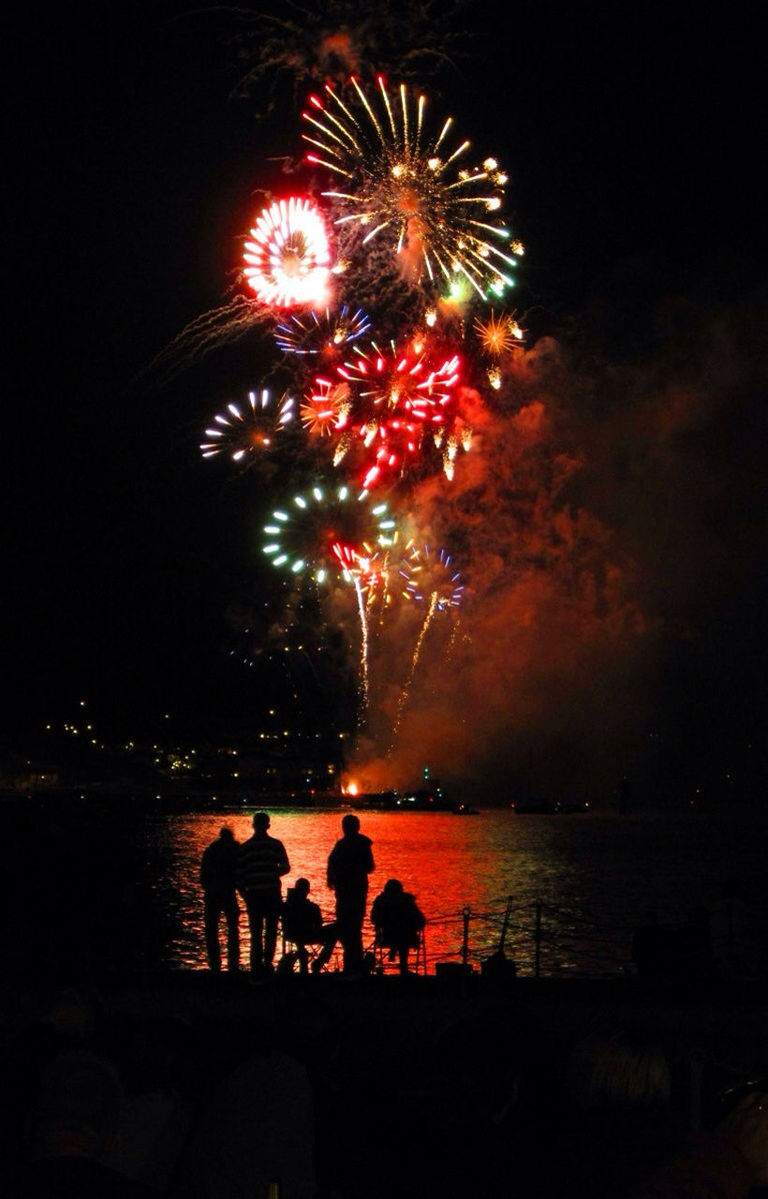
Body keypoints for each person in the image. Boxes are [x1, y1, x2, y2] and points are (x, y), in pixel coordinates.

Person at [313, 814, 374, 974]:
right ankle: (353, 965)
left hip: (345, 892)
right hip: (357, 892)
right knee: (353, 929)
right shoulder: (363, 844)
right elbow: (370, 866)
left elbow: (331, 867)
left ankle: (348, 964)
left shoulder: (340, 846)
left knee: (345, 927)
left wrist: (336, 878)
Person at [236, 812, 290, 973]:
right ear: (268, 826)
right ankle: (267, 963)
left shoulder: (245, 848)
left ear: (253, 825)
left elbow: (239, 874)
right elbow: (286, 867)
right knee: (271, 931)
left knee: (256, 932)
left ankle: (256, 965)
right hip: (272, 893)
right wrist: (273, 873)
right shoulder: (276, 845)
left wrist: (243, 892)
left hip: (253, 894)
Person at [199, 827, 240, 973]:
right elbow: (240, 872)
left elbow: (203, 874)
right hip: (229, 892)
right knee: (233, 928)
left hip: (212, 892)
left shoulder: (211, 850)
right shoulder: (236, 849)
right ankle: (233, 961)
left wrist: (208, 886)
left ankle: (215, 962)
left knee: (211, 928)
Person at [370, 879, 425, 975]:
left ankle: (394, 952)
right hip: (407, 938)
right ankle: (404, 968)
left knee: (400, 934)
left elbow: (374, 919)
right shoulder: (407, 902)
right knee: (403, 935)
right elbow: (421, 920)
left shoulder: (380, 902)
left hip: (386, 937)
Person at [281, 878, 325, 974]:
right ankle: (318, 962)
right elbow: (319, 924)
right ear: (308, 891)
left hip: (292, 935)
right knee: (333, 933)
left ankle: (309, 960)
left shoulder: (286, 905)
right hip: (305, 935)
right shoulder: (312, 907)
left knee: (299, 939)